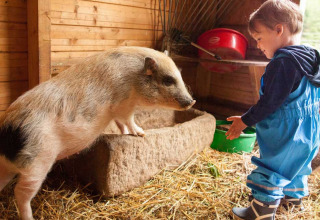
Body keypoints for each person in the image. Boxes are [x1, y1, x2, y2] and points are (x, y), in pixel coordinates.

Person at [225, 0, 320, 219]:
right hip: (310, 128)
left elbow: (270, 103)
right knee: (298, 165)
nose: (258, 45)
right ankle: (293, 201)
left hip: (287, 130)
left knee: (273, 167)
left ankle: (261, 211)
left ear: (279, 29)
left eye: (259, 38)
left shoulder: (283, 63)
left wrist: (245, 120)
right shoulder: (312, 56)